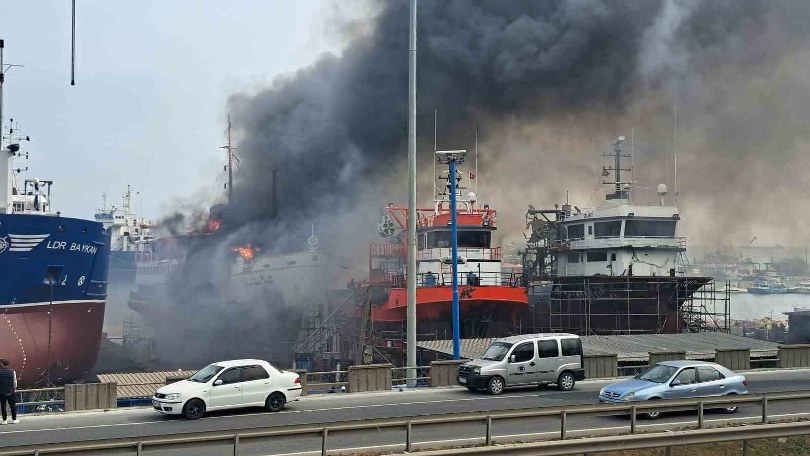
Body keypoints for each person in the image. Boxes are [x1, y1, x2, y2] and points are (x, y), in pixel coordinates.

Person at [0, 359, 19, 424]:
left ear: (2, 364)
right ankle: (14, 420)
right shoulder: (12, 371)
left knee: (3, 406)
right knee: (12, 406)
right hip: (11, 391)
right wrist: (14, 389)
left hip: (1, 392)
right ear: (8, 364)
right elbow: (14, 382)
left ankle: (4, 420)